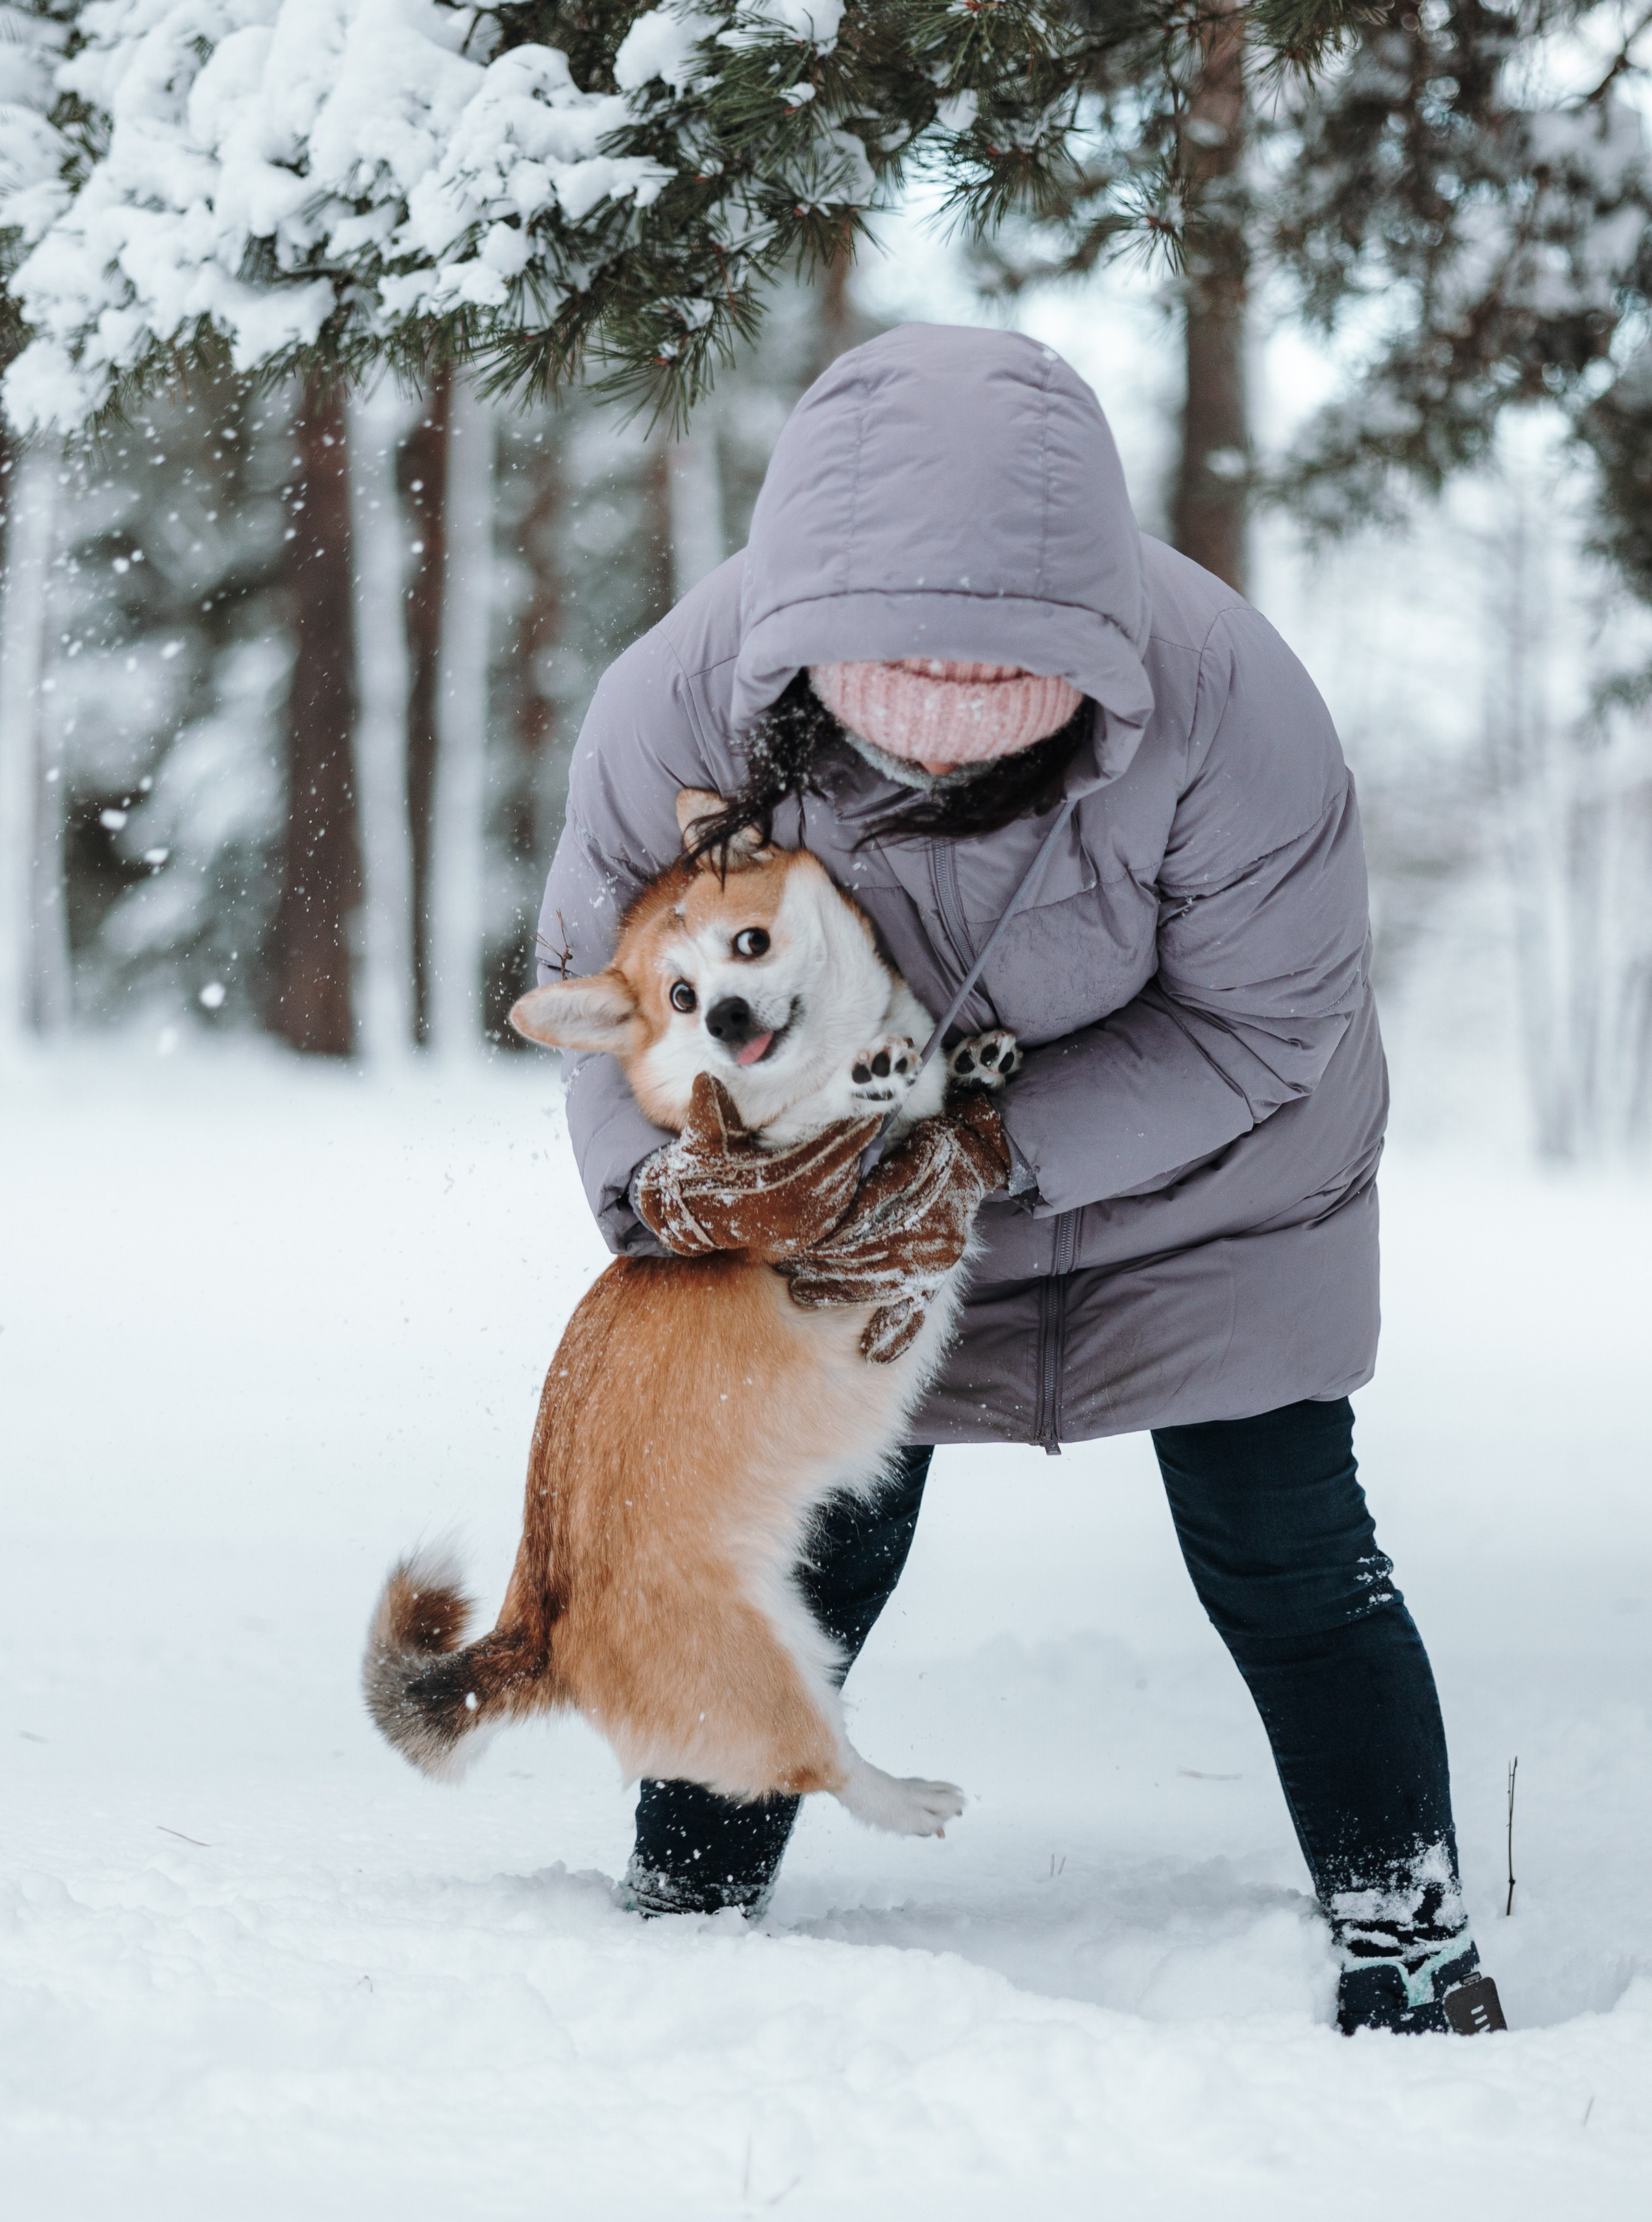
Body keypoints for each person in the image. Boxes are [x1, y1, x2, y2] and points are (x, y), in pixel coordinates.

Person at [537, 323, 1488, 2035]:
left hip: (1215, 1180)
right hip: (850, 1204)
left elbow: (1261, 1026)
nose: (951, 760)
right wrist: (677, 1214)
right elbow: (615, 1006)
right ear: (808, 655)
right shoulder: (675, 705)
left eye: (1004, 719)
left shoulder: (1229, 703)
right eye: (904, 725)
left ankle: (1408, 1944)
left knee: (1284, 1546)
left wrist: (964, 1153)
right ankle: (681, 1923)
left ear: (1091, 660)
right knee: (805, 1531)